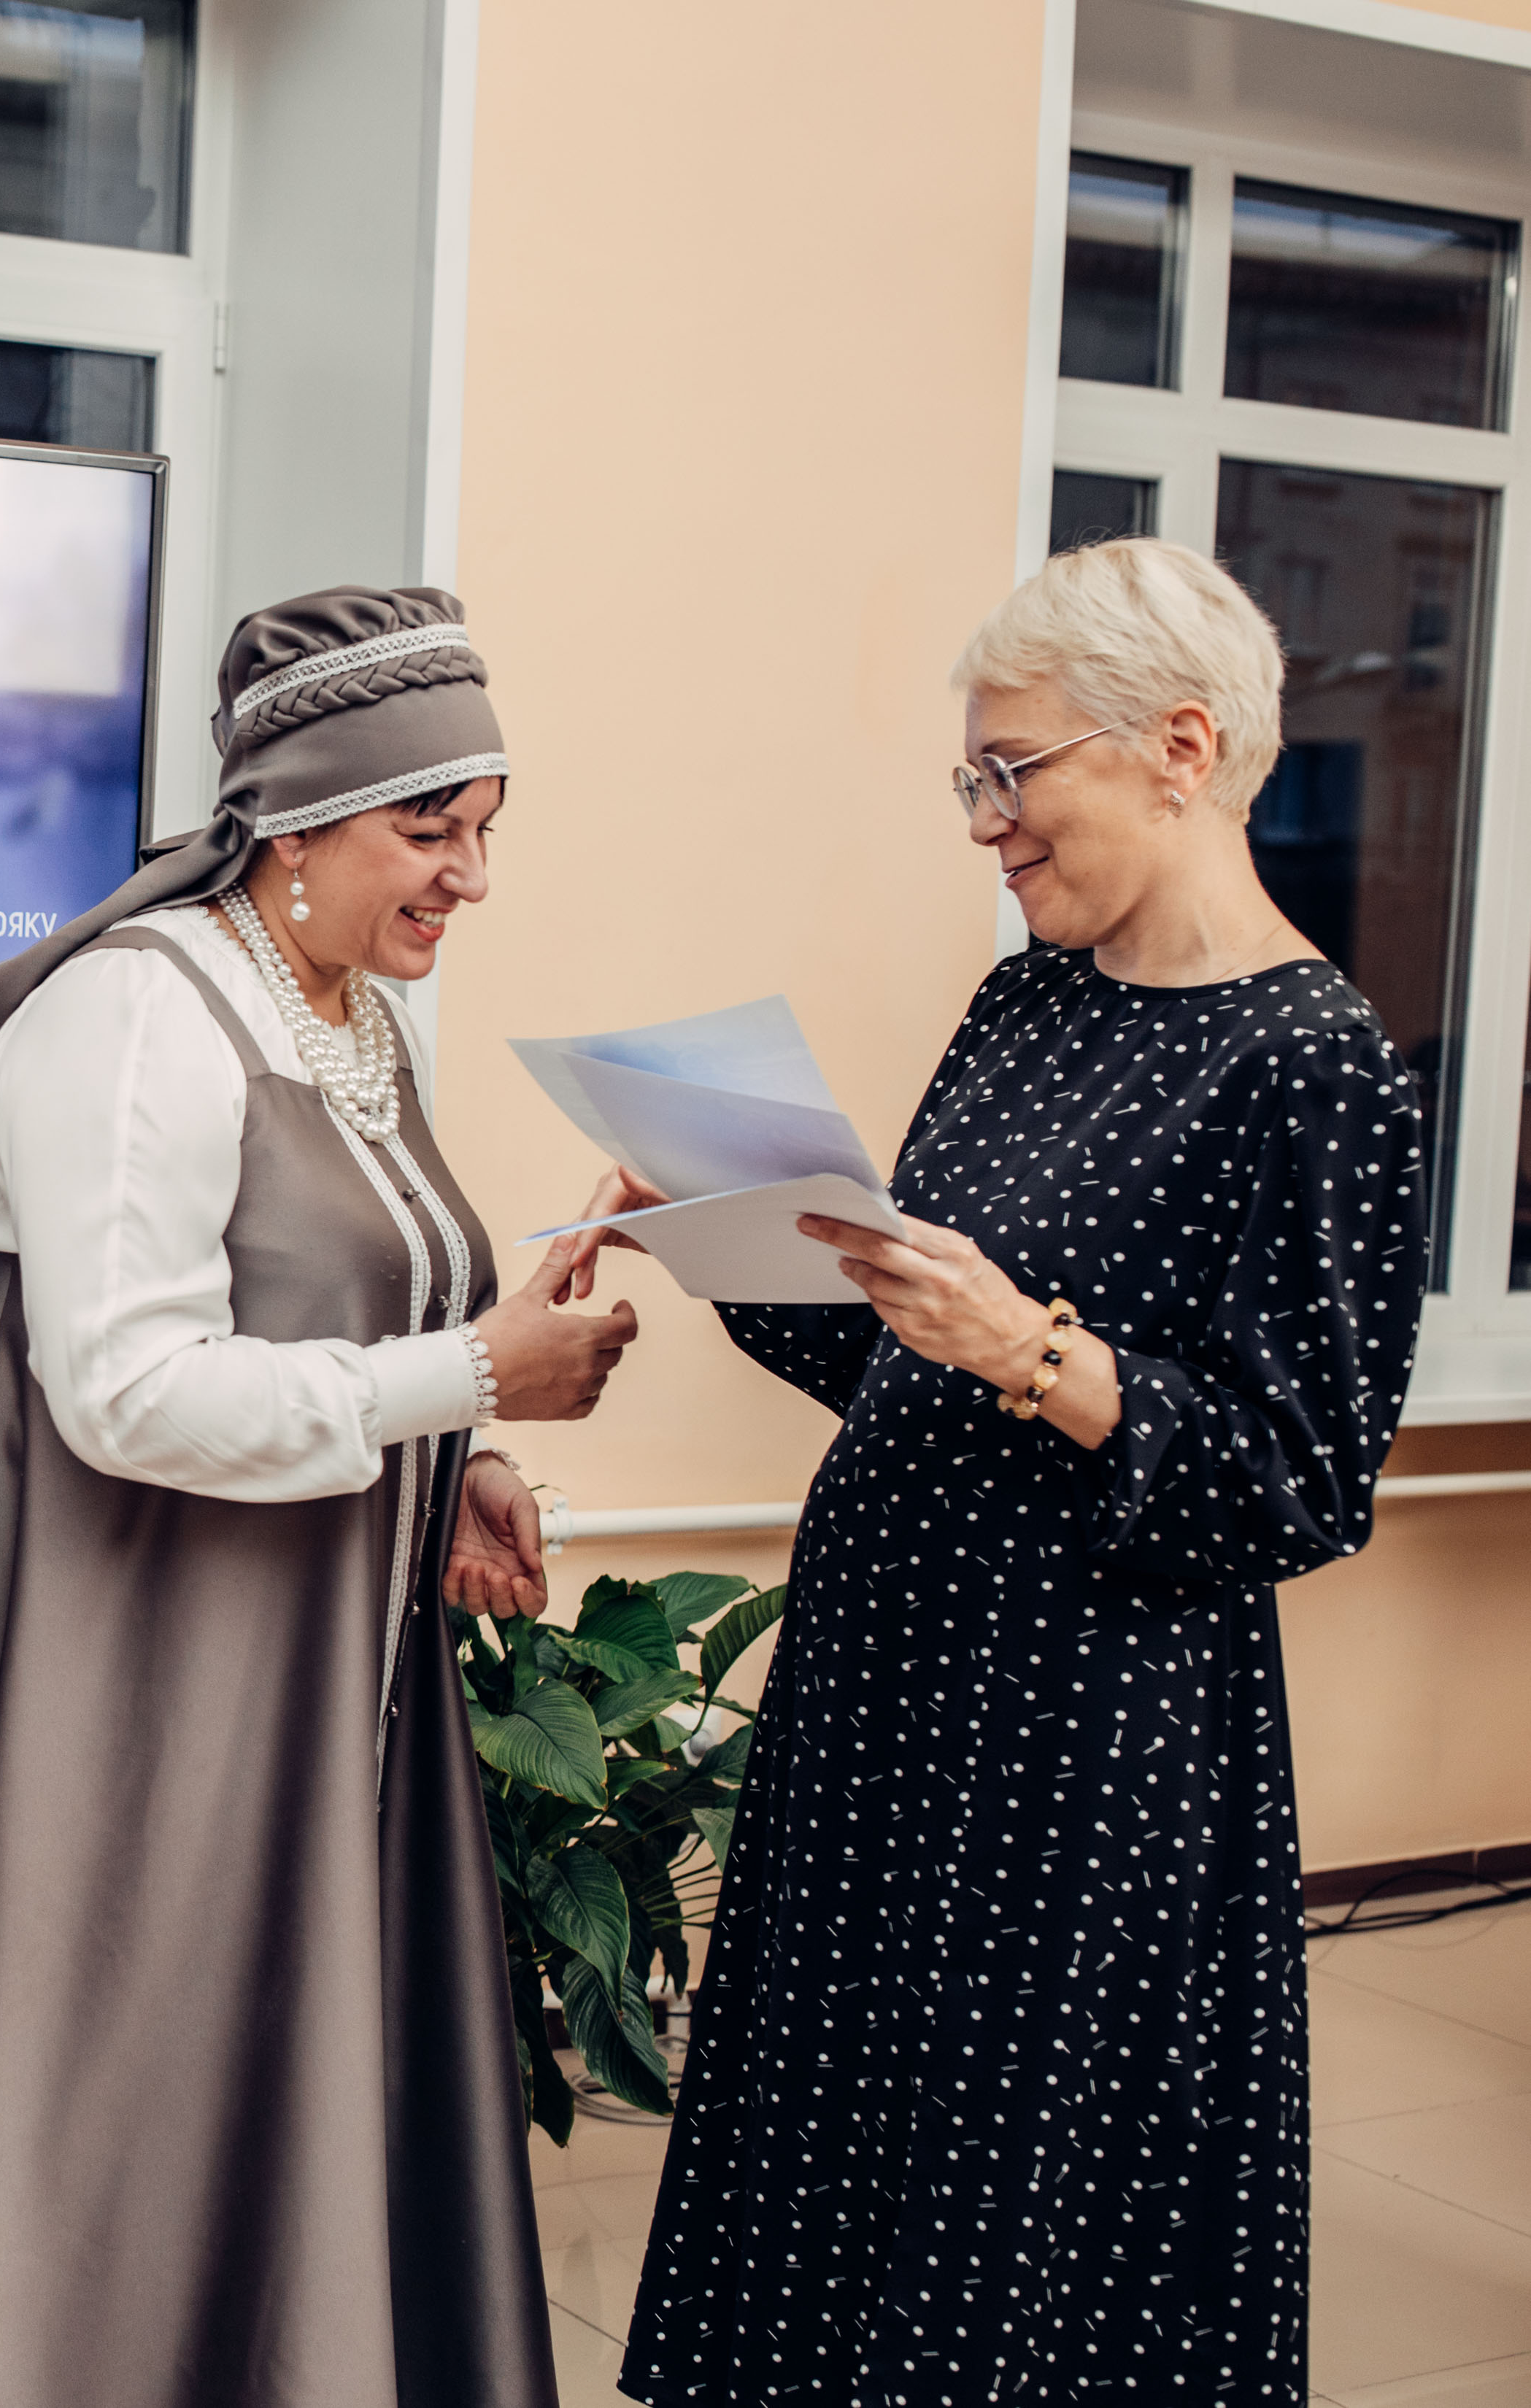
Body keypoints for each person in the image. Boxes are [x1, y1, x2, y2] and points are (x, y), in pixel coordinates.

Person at [0, 587, 639, 2408]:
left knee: (253, 2080)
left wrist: (460, 1465)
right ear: (297, 822)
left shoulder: (349, 1013)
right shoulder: (138, 1018)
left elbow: (334, 1315)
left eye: (484, 829)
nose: (469, 877)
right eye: (427, 831)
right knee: (107, 2095)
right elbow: (129, 1395)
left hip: (294, 1670)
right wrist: (471, 1381)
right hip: (118, 1669)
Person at [615, 536, 1431, 2407]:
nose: (986, 823)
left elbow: (1302, 1482)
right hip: (883, 1695)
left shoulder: (1315, 1068)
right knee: (835, 2181)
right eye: (969, 778)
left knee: (1009, 2235)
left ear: (1182, 747)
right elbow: (911, 1362)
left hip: (1081, 1755)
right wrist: (726, 1232)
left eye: (1013, 771)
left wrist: (1042, 1356)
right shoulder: (1026, 1007)